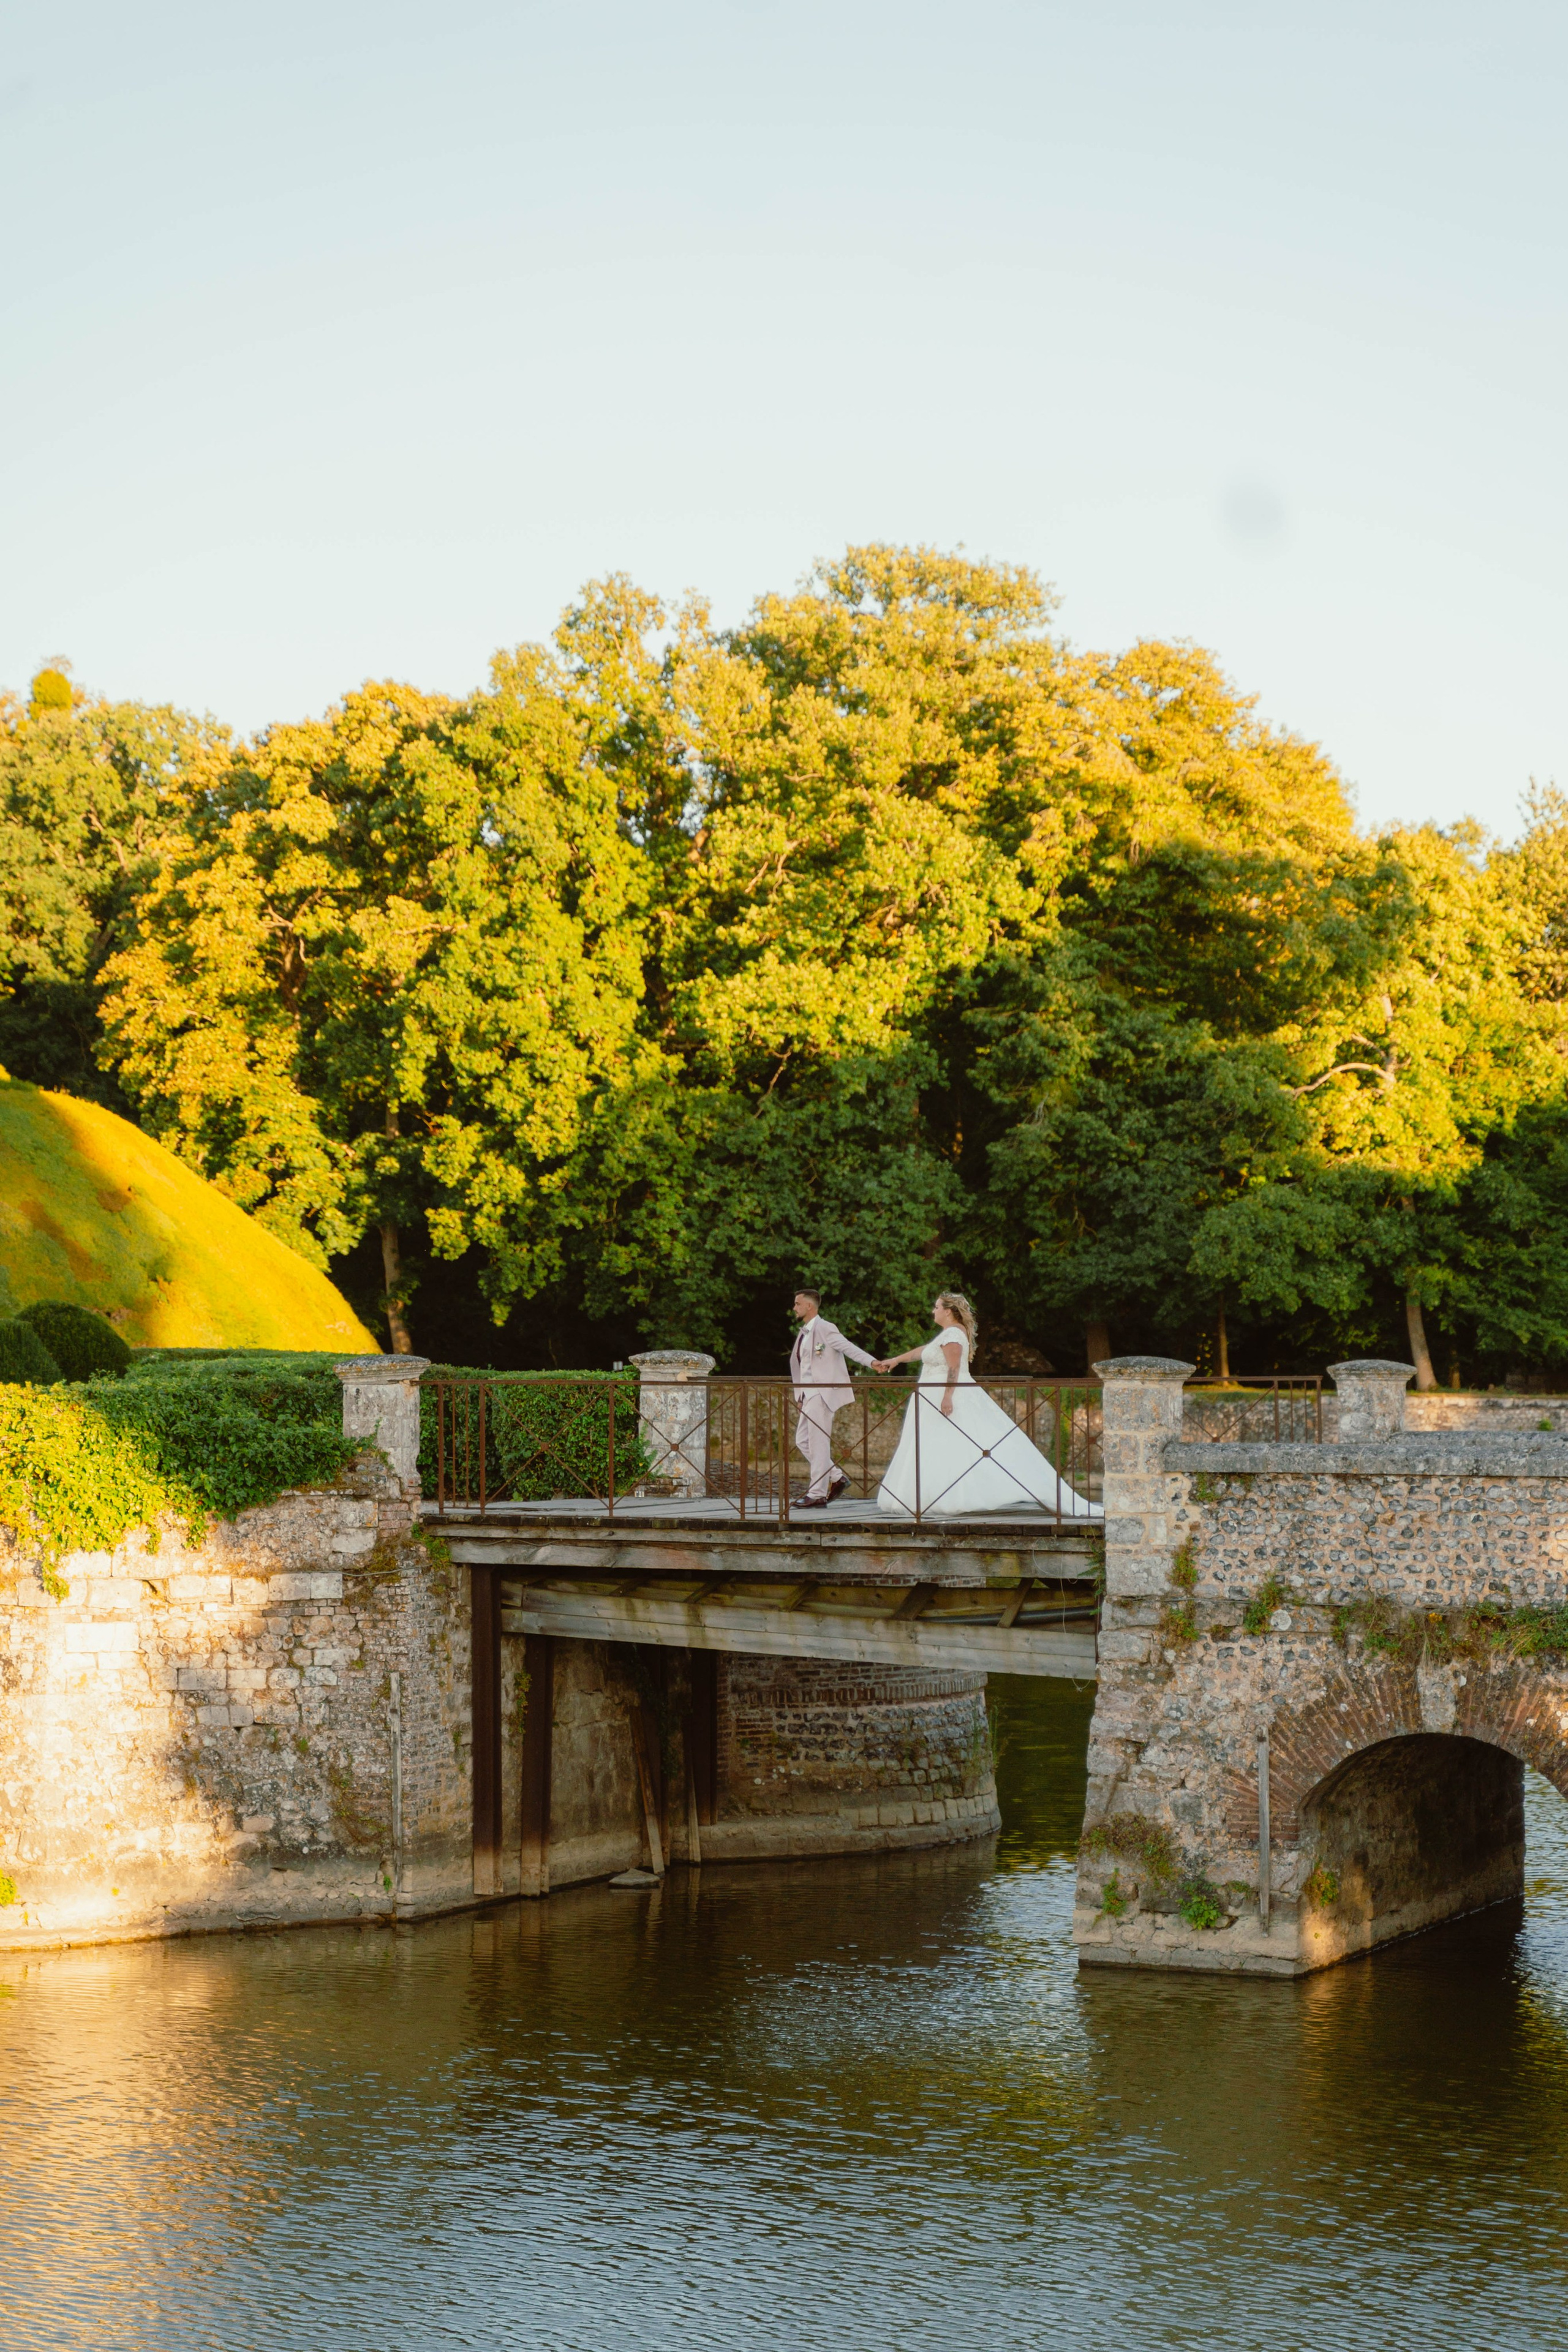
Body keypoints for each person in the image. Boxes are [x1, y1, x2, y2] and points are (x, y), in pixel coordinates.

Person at [873, 1292, 1101, 1520]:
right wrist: (896, 1360)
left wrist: (947, 1396)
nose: (933, 1311)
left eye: (937, 1307)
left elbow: (954, 1368)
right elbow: (924, 1351)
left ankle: (948, 1496)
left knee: (953, 1443)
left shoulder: (953, 1334)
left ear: (948, 1311)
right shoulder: (948, 1334)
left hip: (944, 1396)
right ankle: (935, 1495)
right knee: (942, 1445)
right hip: (930, 1396)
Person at [790, 1287, 879, 1508]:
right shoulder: (804, 1332)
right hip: (808, 1395)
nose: (794, 1308)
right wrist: (800, 1396)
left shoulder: (826, 1328)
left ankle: (817, 1494)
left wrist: (872, 1362)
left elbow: (849, 1348)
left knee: (819, 1444)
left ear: (809, 1306)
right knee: (802, 1441)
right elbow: (803, 1367)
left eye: (797, 1304)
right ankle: (837, 1477)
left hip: (821, 1394)